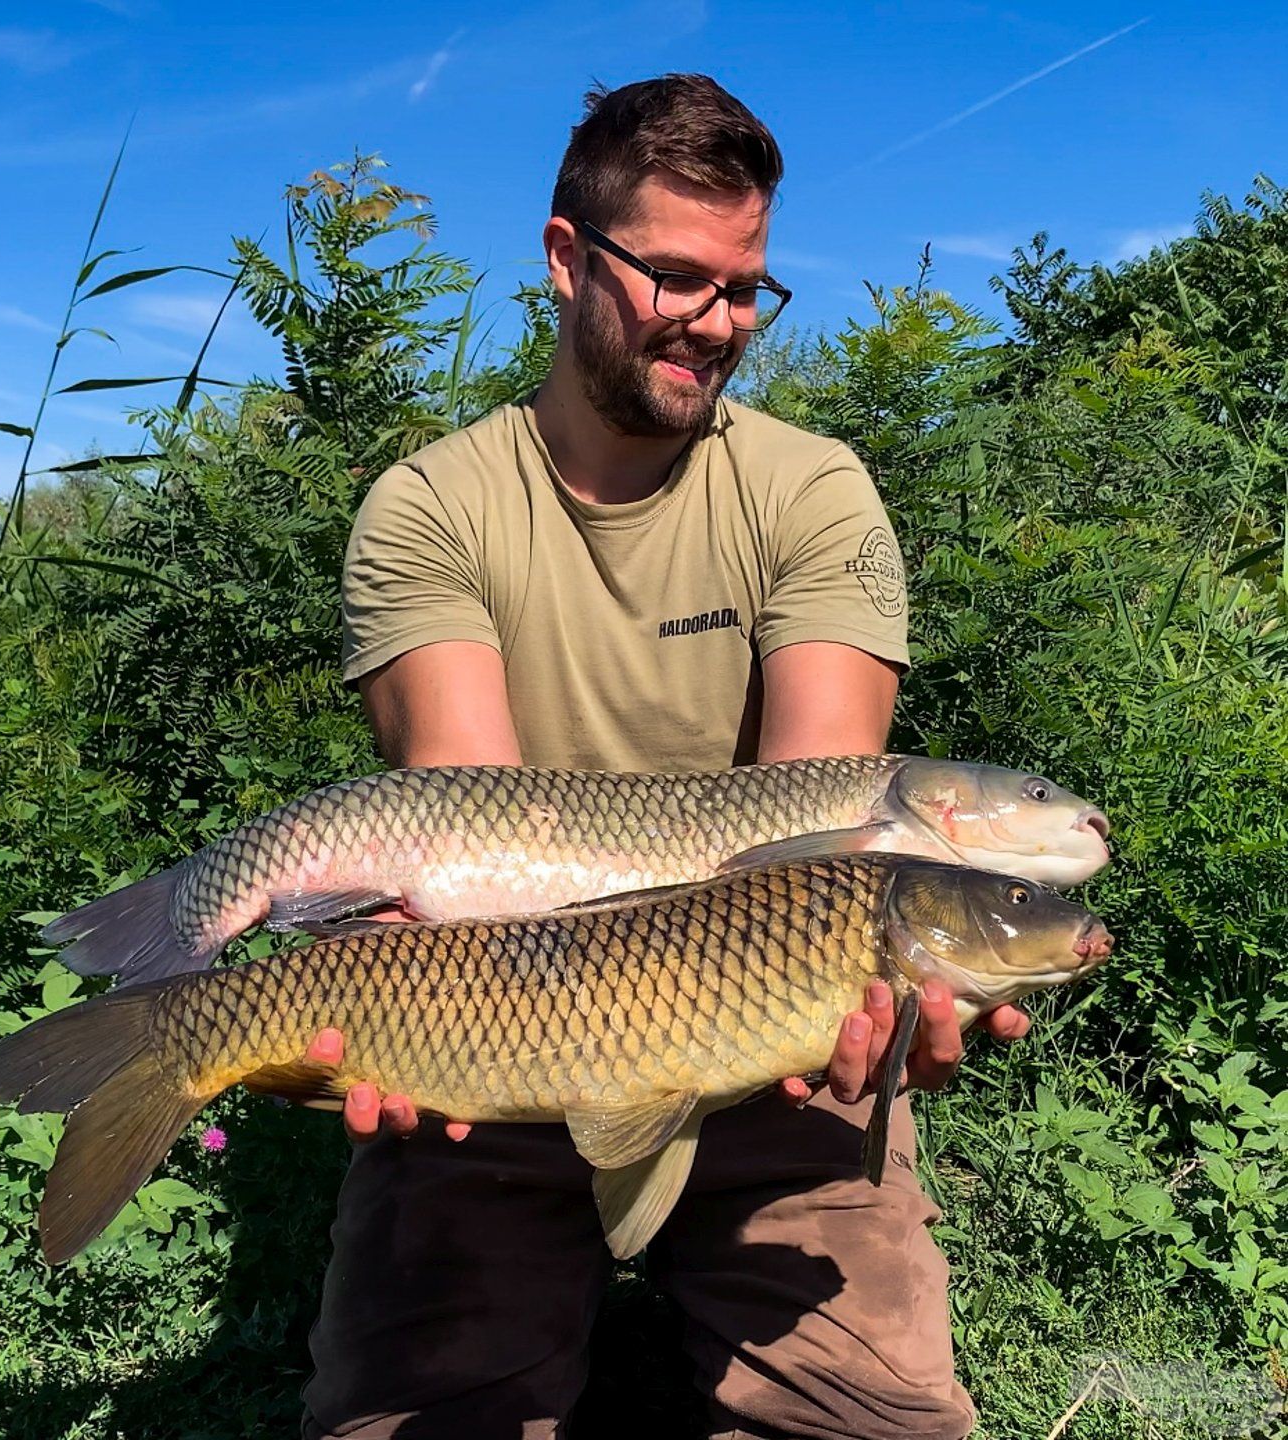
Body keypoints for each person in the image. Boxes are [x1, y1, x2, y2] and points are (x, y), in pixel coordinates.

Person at [297, 73, 1028, 1440]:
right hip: (502, 1023)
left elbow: (827, 841)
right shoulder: (432, 507)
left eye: (748, 287)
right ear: (569, 258)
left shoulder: (812, 490)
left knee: (877, 1422)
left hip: (777, 1047)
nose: (721, 322)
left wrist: (870, 986)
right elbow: (468, 842)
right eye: (679, 278)